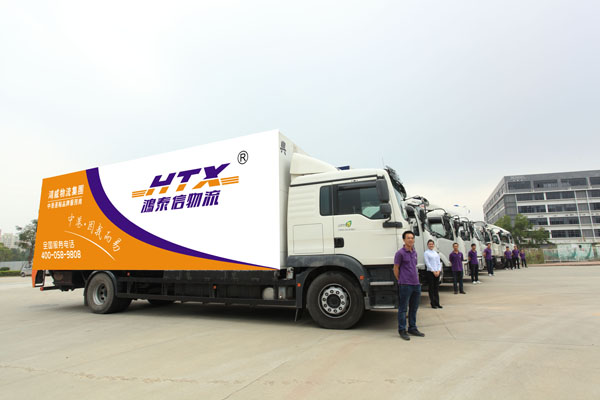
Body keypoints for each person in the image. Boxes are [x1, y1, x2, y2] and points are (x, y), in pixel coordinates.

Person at [394, 231, 425, 340]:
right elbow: (396, 268)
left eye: (412, 238)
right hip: (405, 285)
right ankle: (402, 330)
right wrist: (401, 280)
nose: (410, 240)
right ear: (404, 240)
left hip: (416, 284)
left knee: (414, 308)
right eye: (408, 238)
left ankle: (412, 328)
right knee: (403, 309)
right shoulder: (400, 253)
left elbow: (414, 267)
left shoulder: (414, 252)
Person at [423, 239, 442, 309]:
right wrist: (433, 271)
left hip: (437, 272)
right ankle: (433, 303)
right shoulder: (426, 253)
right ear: (427, 245)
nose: (431, 245)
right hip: (430, 272)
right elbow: (427, 263)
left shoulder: (436, 253)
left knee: (436, 288)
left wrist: (438, 270)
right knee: (431, 288)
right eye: (429, 244)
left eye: (432, 244)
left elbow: (439, 262)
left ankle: (437, 303)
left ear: (434, 245)